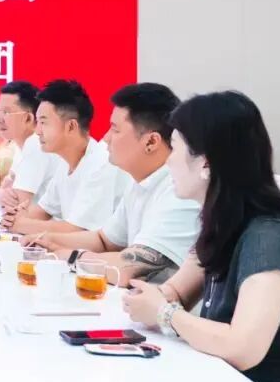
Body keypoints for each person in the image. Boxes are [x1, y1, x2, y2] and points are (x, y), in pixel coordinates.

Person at [123, 91, 280, 382]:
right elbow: (177, 292)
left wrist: (164, 313)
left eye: (175, 147)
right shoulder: (222, 223)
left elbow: (243, 348)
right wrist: (154, 300)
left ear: (205, 163)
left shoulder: (270, 236)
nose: (167, 161)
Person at [33, 83, 200, 285]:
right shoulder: (139, 182)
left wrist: (69, 256)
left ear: (151, 142)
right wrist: (47, 240)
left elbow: (130, 268)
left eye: (115, 129)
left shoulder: (180, 191)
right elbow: (104, 240)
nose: (106, 138)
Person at [8, 79, 130, 235]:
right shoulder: (65, 162)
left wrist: (22, 225)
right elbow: (43, 210)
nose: (37, 131)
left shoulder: (101, 162)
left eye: (43, 122)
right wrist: (14, 217)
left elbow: (79, 230)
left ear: (71, 126)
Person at [0, 82, 63, 227]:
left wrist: (2, 195)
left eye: (6, 112)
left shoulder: (36, 144)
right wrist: (1, 193)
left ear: (28, 118)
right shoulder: (22, 144)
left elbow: (16, 209)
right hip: (36, 227)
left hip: (50, 231)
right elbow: (7, 185)